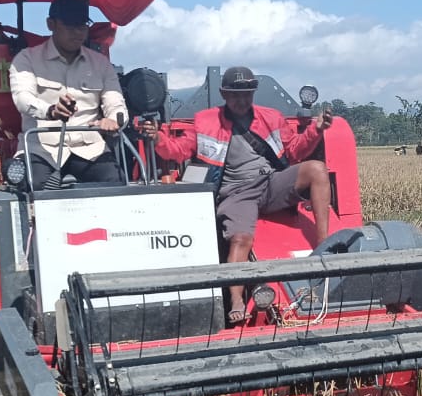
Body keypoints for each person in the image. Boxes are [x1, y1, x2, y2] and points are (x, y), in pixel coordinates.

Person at [141, 65, 333, 324]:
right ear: (224, 94)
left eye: (246, 95)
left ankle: (324, 247)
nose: (241, 101)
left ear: (253, 93)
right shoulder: (205, 121)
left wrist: (316, 130)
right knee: (241, 238)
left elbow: (295, 151)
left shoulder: (271, 118)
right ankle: (237, 299)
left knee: (317, 169)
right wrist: (158, 140)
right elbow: (178, 150)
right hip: (236, 192)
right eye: (235, 95)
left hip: (270, 182)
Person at [9, 0, 127, 188]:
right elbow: (22, 99)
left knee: (116, 181)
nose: (78, 32)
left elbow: (116, 102)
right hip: (41, 149)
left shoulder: (101, 63)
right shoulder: (26, 59)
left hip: (89, 148)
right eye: (70, 26)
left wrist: (113, 120)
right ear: (51, 24)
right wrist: (51, 111)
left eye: (83, 26)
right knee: (32, 185)